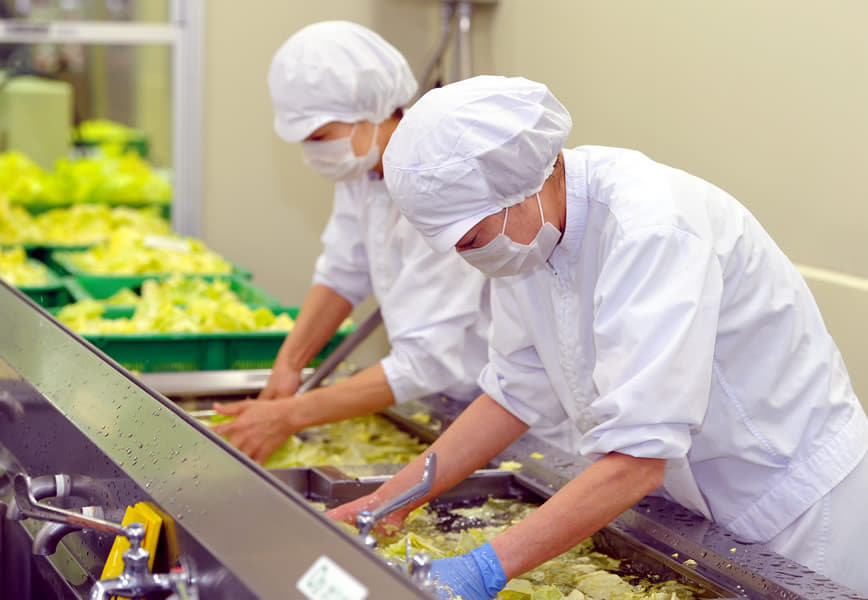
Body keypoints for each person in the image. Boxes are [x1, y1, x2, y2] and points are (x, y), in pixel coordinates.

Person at [327, 75, 868, 598]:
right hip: (702, 501)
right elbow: (512, 394)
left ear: (525, 186)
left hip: (794, 509)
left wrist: (482, 569)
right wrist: (393, 498)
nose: (470, 258)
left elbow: (637, 459)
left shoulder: (651, 228)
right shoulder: (529, 239)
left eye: (471, 239)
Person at [211, 22, 494, 464]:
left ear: (374, 109)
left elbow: (427, 361)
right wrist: (288, 368)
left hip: (503, 406)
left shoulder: (439, 180)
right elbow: (343, 274)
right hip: (446, 401)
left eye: (321, 137)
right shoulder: (364, 169)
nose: (314, 154)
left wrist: (290, 416)